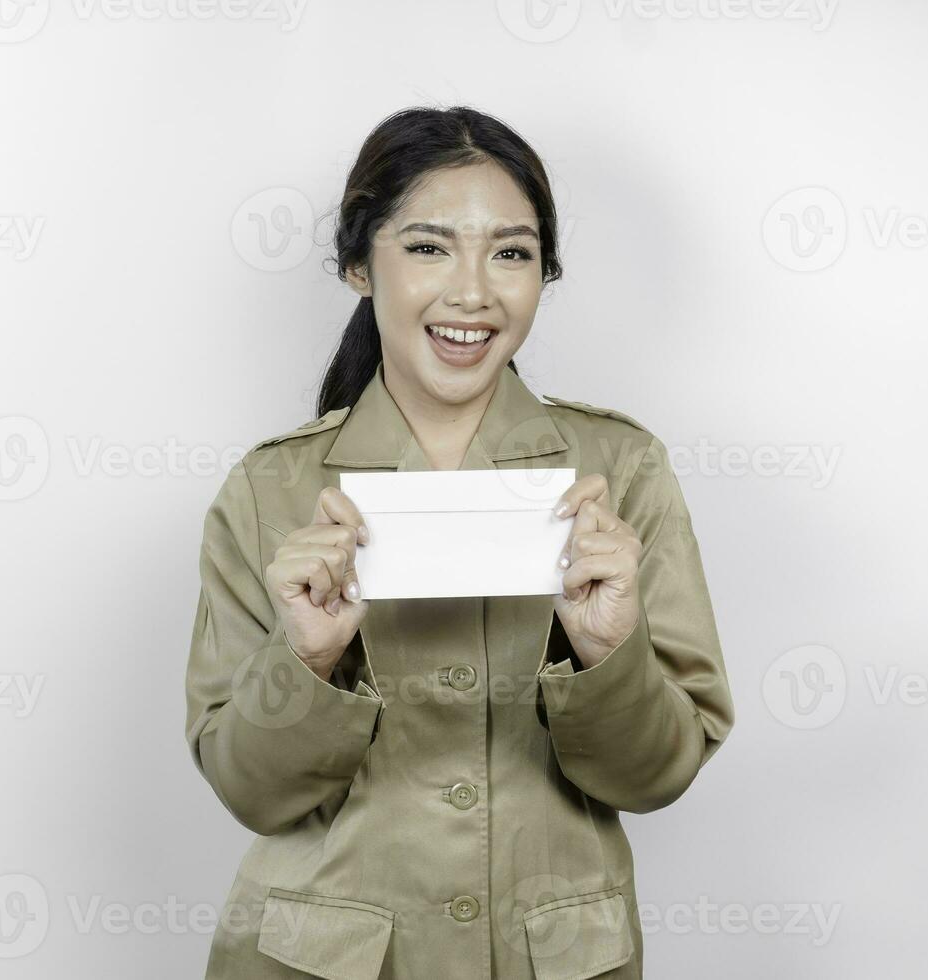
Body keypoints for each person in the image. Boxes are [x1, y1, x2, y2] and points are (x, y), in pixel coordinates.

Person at [183, 105, 734, 979]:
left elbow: (659, 774)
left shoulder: (620, 470)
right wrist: (306, 663)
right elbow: (249, 790)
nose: (473, 291)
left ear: (543, 275)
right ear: (361, 266)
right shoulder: (272, 491)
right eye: (429, 247)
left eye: (511, 252)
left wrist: (607, 654)